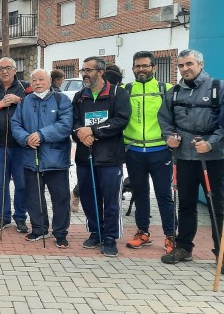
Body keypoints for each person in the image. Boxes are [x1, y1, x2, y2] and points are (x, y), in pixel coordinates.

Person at [159, 49, 224, 265]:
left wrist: (211, 142)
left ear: (201, 64)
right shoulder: (174, 93)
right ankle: (184, 248)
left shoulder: (218, 88)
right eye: (181, 65)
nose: (185, 69)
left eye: (189, 64)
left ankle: (221, 253)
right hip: (184, 157)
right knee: (185, 204)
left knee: (218, 206)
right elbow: (165, 120)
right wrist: (169, 137)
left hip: (213, 159)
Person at [72, 56, 130, 257]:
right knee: (88, 197)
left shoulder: (118, 94)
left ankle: (110, 237)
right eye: (83, 70)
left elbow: (121, 120)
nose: (85, 74)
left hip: (110, 158)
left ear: (101, 72)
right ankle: (96, 232)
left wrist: (93, 131)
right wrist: (80, 132)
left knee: (111, 200)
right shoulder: (79, 96)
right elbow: (73, 123)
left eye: (89, 70)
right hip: (84, 156)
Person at [11, 69, 73, 248]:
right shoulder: (25, 102)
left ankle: (60, 233)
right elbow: (15, 124)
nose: (37, 83)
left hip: (56, 160)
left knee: (60, 198)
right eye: (34, 80)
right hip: (31, 158)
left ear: (49, 81)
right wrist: (25, 138)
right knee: (34, 197)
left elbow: (65, 125)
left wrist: (41, 135)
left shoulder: (61, 100)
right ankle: (39, 228)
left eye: (41, 79)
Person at [123, 51, 175, 254]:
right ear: (133, 68)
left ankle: (171, 236)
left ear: (154, 67)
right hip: (134, 151)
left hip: (160, 151)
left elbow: (176, 117)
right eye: (137, 66)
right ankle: (142, 233)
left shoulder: (166, 89)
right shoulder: (126, 90)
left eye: (145, 66)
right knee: (141, 194)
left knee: (164, 195)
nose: (141, 69)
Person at [0, 57, 32, 233]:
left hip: (21, 144)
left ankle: (20, 218)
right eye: (1, 68)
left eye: (8, 68)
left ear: (14, 70)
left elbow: (35, 106)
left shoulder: (25, 87)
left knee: (21, 183)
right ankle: (3, 217)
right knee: (0, 184)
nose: (4, 71)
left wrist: (19, 100)